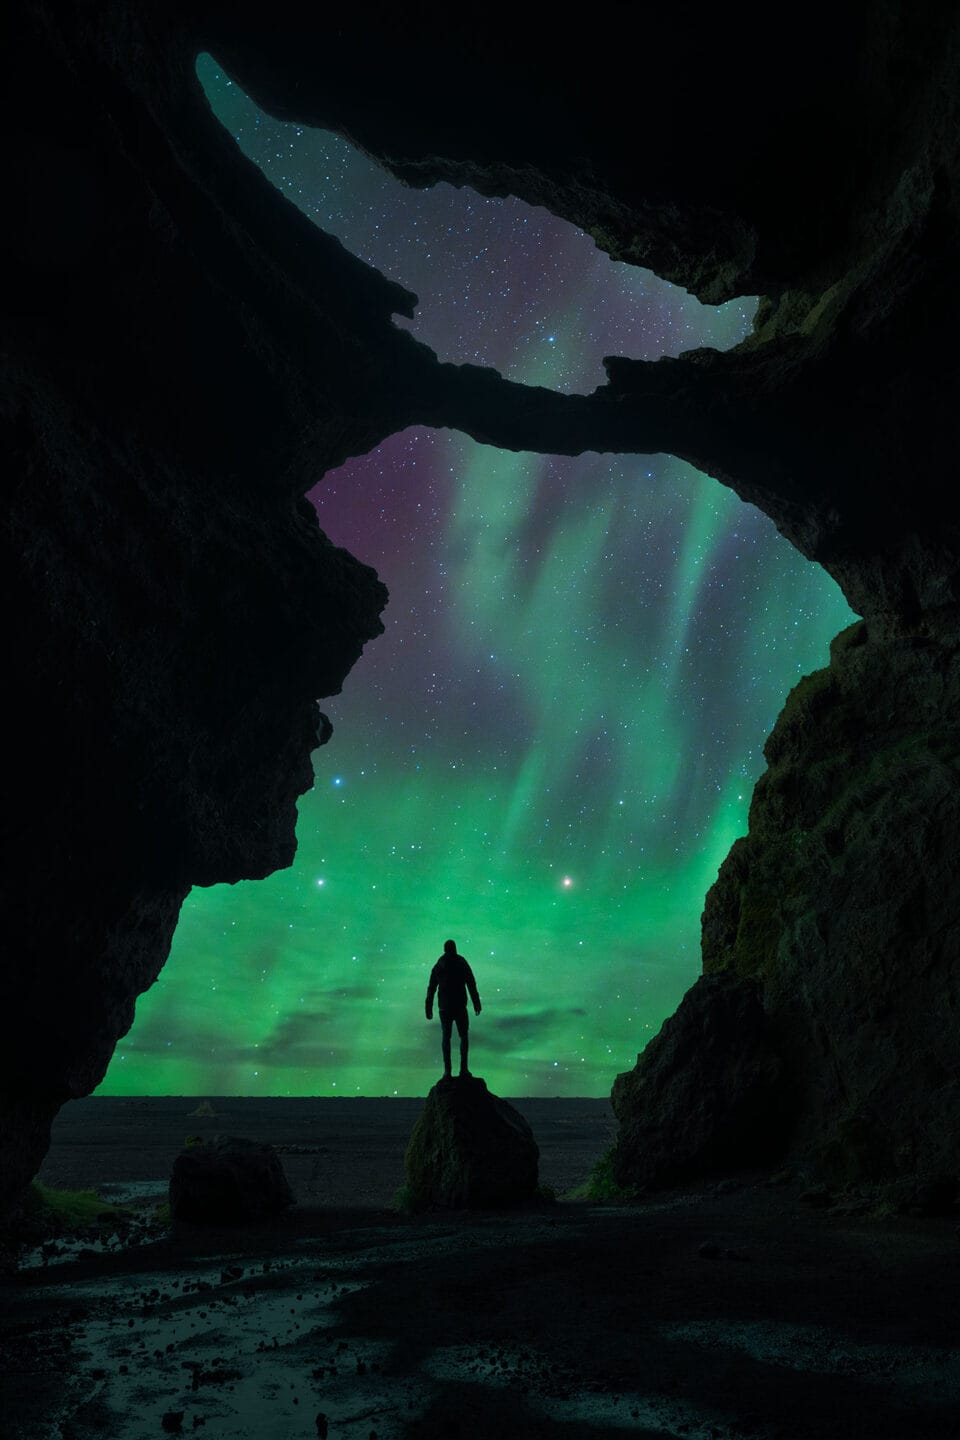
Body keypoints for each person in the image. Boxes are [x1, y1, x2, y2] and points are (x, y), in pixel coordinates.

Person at [425, 938, 481, 1079]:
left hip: (444, 1007)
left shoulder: (438, 965)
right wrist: (476, 1002)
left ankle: (447, 1071)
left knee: (446, 1037)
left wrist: (428, 1007)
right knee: (463, 1036)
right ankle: (463, 1070)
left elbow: (431, 989)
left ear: (445, 949)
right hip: (459, 1006)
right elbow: (471, 983)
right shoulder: (461, 962)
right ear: (455, 948)